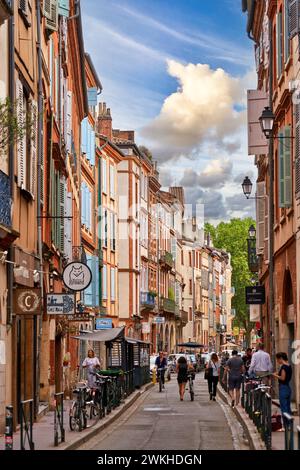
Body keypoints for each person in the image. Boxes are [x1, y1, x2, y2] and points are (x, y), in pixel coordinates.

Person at [273, 352, 292, 428]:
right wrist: (278, 373)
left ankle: (286, 425)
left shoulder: (283, 367)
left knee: (284, 407)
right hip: (288, 387)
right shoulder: (289, 366)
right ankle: (290, 424)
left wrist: (275, 375)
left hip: (283, 388)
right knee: (288, 407)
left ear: (281, 358)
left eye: (277, 359)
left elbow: (282, 378)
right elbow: (285, 375)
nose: (277, 361)